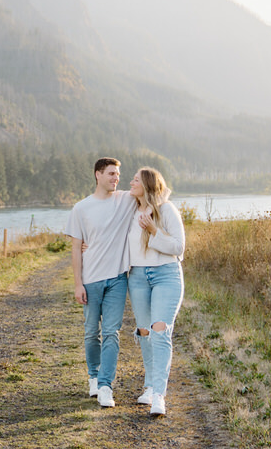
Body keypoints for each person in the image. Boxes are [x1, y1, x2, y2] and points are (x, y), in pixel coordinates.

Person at [65, 157, 134, 408]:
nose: (116, 178)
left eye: (118, 174)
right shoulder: (81, 209)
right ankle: (93, 376)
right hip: (90, 280)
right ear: (98, 175)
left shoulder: (126, 200)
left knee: (111, 333)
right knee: (91, 332)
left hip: (117, 279)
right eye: (111, 174)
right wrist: (77, 283)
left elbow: (153, 192)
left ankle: (106, 386)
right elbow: (75, 249)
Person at [126, 166, 186, 417]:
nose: (131, 182)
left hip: (166, 274)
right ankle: (149, 385)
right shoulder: (129, 211)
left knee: (160, 330)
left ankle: (159, 394)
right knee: (144, 331)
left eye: (136, 179)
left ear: (148, 185)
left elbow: (178, 246)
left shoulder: (167, 210)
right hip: (137, 276)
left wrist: (153, 231)